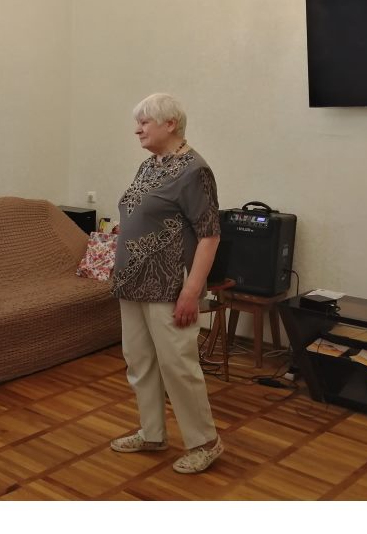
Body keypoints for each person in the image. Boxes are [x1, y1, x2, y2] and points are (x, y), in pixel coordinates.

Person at [109, 93, 224, 474]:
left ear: (170, 124)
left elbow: (209, 235)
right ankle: (152, 433)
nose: (137, 129)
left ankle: (205, 442)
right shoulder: (149, 165)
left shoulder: (194, 171)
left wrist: (192, 291)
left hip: (169, 285)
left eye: (145, 122)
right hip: (132, 282)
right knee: (140, 362)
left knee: (178, 367)